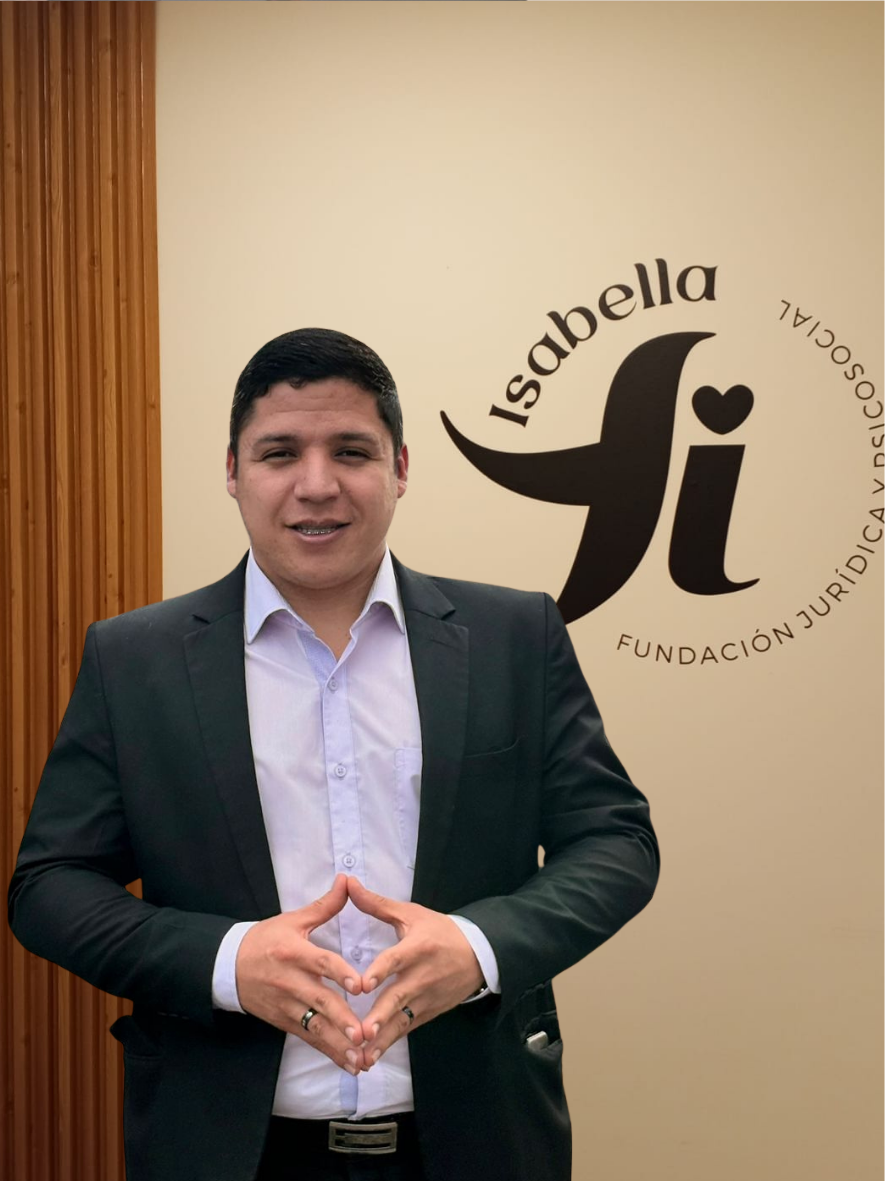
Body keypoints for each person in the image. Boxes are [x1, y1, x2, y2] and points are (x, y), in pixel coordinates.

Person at [9, 328, 659, 1181]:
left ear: (400, 468)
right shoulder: (134, 659)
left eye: (351, 451)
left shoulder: (514, 635)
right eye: (279, 452)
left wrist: (479, 945)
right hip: (227, 1150)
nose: (316, 484)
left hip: (480, 1139)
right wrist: (227, 962)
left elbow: (616, 842)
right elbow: (49, 885)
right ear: (234, 471)